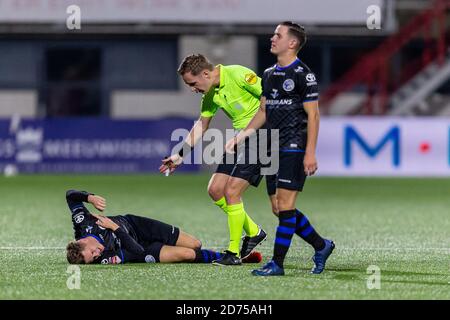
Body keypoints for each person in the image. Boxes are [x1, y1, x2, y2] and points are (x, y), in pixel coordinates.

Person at [226, 22, 335, 276]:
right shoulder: (268, 74)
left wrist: (310, 152)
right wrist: (242, 136)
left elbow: (314, 116)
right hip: (271, 147)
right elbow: (263, 111)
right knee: (278, 208)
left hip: (293, 147)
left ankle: (277, 264)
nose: (272, 38)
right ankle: (322, 245)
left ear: (292, 43)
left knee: (285, 206)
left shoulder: (303, 74)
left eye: (278, 34)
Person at [159, 54, 268, 266]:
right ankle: (254, 232)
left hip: (263, 136)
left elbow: (270, 100)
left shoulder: (238, 74)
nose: (192, 88)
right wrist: (180, 155)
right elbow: (201, 124)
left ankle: (233, 253)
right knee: (216, 189)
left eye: (193, 83)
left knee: (232, 192)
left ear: (206, 74)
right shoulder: (210, 93)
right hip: (240, 139)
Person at [65, 189, 262, 265]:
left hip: (138, 225)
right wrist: (114, 227)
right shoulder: (105, 259)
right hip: (141, 249)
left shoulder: (83, 224)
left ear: (83, 241)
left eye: (93, 253)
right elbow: (137, 250)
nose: (98, 255)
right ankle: (235, 258)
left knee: (196, 243)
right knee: (188, 254)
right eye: (94, 259)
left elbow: (70, 195)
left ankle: (234, 255)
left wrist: (88, 197)